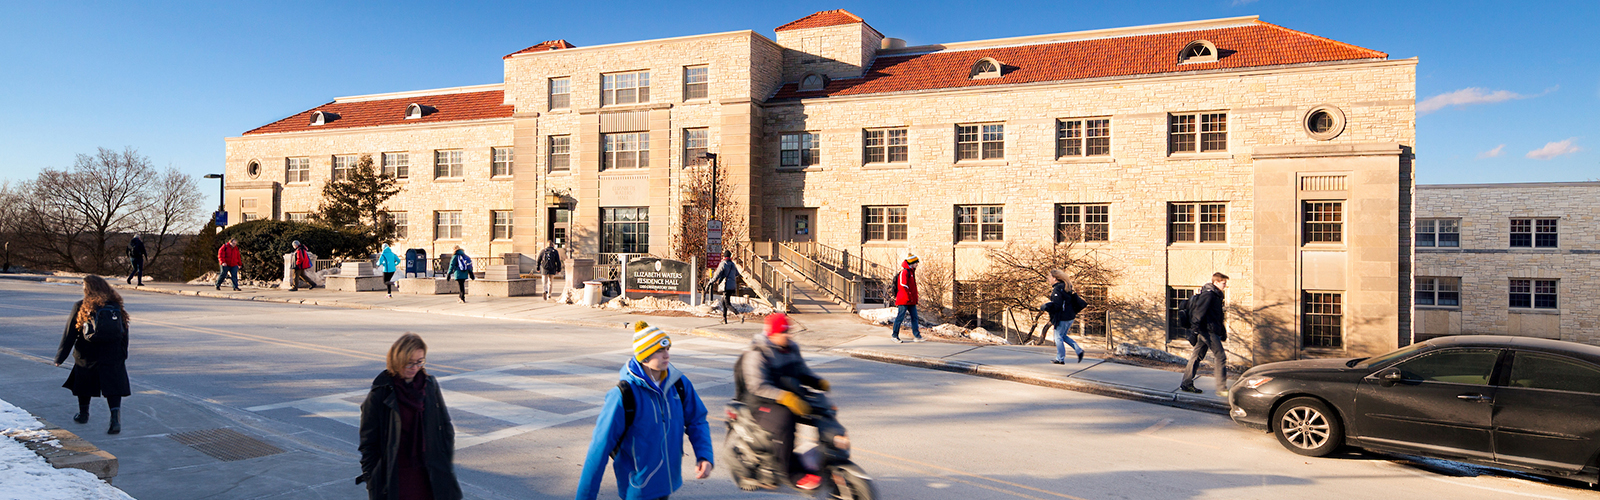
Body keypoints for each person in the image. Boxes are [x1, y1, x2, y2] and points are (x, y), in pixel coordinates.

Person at [576, 321, 713, 500]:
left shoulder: (678, 384)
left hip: (667, 485)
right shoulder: (623, 395)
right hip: (637, 490)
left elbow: (697, 420)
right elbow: (599, 449)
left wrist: (704, 455)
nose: (667, 355)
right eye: (660, 350)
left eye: (668, 349)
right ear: (645, 357)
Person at [357, 333, 462, 500]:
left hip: (430, 475)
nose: (415, 367)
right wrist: (373, 480)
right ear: (397, 360)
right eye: (409, 363)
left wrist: (443, 462)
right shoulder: (380, 394)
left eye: (420, 361)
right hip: (396, 478)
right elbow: (368, 445)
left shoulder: (429, 386)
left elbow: (445, 427)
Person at [735, 314, 827, 491]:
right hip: (761, 402)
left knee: (821, 410)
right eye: (783, 333)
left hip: (787, 396)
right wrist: (785, 397)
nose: (787, 336)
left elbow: (802, 371)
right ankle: (791, 473)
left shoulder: (791, 348)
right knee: (785, 420)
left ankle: (820, 458)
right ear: (772, 334)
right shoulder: (758, 352)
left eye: (788, 332)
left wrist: (817, 382)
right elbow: (757, 386)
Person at [53, 275, 131, 435]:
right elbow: (124, 331)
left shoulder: (82, 306)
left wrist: (60, 357)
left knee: (84, 382)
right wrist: (123, 352)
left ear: (88, 289)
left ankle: (83, 414)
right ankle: (115, 419)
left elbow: (70, 333)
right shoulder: (115, 305)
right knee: (113, 385)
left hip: (87, 352)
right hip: (112, 352)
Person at [1180, 272, 1231, 396]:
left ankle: (1186, 383)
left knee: (1196, 356)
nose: (1225, 285)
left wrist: (1223, 331)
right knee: (1221, 357)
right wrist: (1194, 331)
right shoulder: (1208, 295)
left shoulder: (1217, 296)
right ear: (1216, 282)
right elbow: (1199, 314)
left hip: (1210, 331)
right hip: (1208, 331)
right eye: (1223, 283)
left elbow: (1218, 317)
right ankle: (1221, 388)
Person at [1044, 269, 1088, 364]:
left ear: (1055, 279)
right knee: (1062, 336)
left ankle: (1060, 358)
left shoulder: (1057, 289)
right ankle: (1079, 350)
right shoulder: (1067, 287)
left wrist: (1046, 306)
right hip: (1070, 316)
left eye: (1050, 278)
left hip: (1062, 317)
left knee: (1058, 337)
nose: (1049, 280)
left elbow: (1057, 305)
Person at [890, 254, 924, 343]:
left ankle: (917, 336)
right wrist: (909, 295)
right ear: (912, 263)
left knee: (915, 317)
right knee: (900, 317)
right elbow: (903, 285)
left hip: (911, 300)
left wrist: (914, 298)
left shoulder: (912, 272)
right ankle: (894, 335)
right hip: (904, 300)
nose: (917, 265)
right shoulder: (905, 272)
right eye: (916, 263)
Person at [706, 250, 739, 324]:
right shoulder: (733, 264)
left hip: (726, 285)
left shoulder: (723, 264)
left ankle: (739, 315)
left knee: (727, 303)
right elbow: (737, 274)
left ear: (724, 256)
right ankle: (724, 318)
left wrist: (710, 283)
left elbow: (716, 275)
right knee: (723, 301)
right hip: (732, 286)